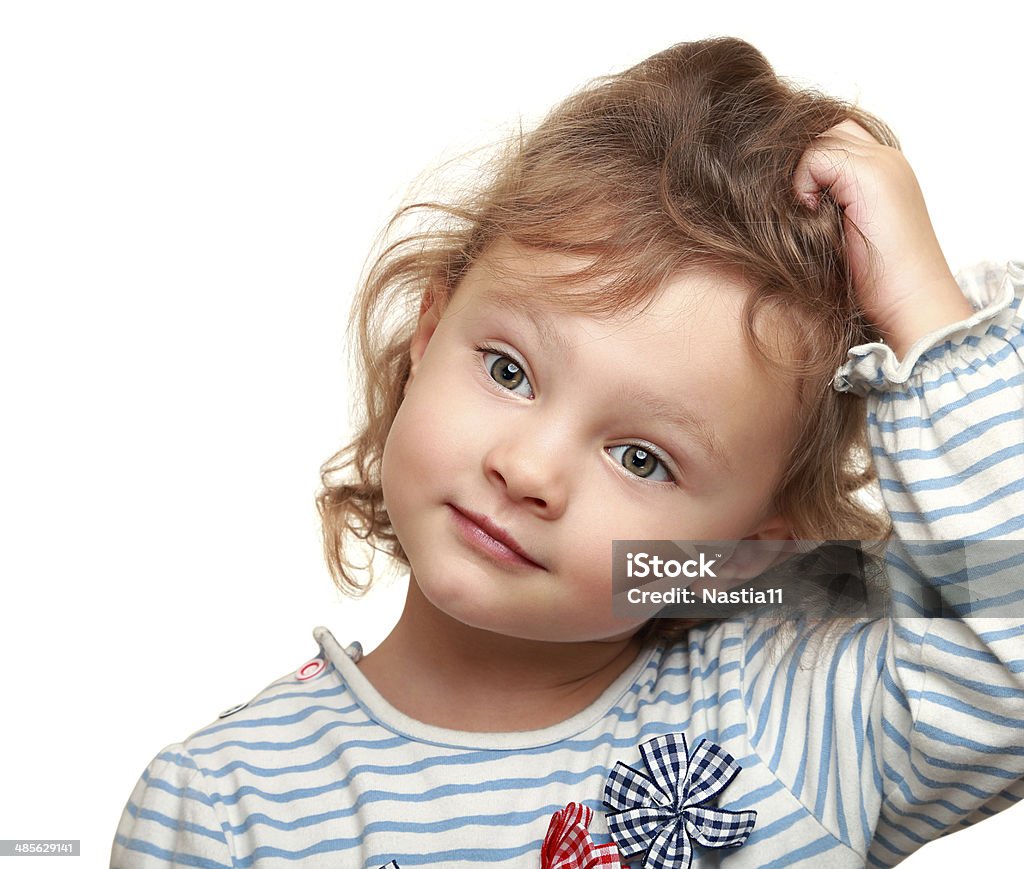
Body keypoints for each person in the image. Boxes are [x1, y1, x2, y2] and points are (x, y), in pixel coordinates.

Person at [109, 37, 1024, 868]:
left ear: (741, 551)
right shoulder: (222, 806)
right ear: (429, 334)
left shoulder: (789, 724)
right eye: (508, 369)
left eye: (640, 458)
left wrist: (923, 306)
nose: (530, 469)